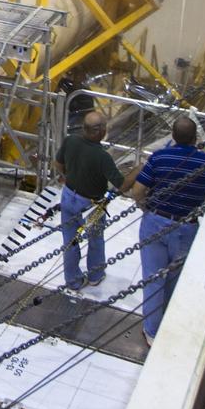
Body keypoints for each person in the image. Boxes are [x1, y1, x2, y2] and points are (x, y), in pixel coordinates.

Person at [129, 114, 205, 347]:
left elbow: (138, 190)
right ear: (195, 137)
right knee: (174, 278)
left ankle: (151, 330)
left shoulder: (159, 157)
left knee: (153, 278)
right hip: (187, 228)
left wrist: (145, 208)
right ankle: (168, 321)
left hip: (155, 223)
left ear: (173, 136)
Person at [54, 110, 138, 292]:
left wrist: (67, 177)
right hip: (91, 206)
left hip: (68, 197)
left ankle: (73, 281)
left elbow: (58, 163)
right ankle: (95, 275)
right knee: (95, 238)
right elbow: (123, 185)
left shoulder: (70, 140)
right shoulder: (102, 157)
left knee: (69, 241)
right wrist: (138, 169)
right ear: (100, 131)